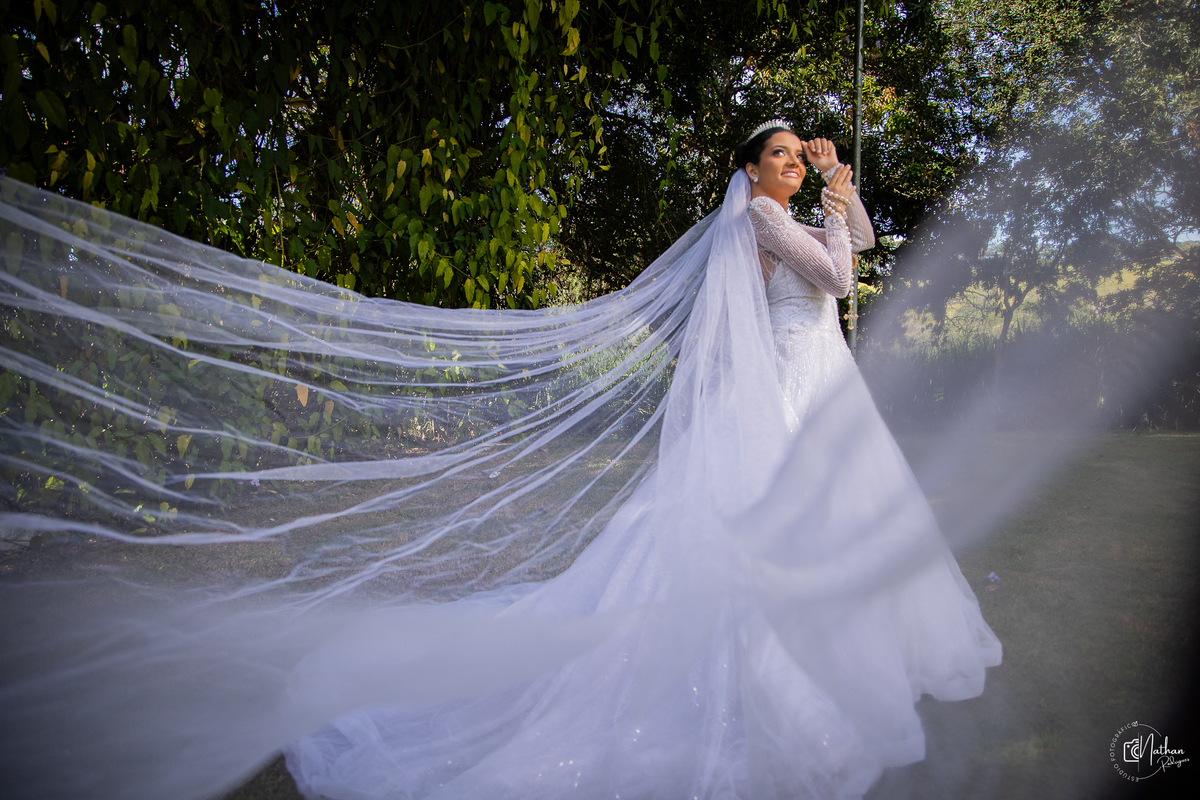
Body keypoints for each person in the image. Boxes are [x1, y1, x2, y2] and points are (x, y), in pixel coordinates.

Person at [0, 120, 999, 800]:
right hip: (785, 384)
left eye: (796, 156)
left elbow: (863, 240)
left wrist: (844, 184)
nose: (792, 164)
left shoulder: (800, 206)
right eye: (779, 155)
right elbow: (839, 275)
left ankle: (851, 650)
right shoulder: (765, 219)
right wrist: (830, 198)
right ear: (751, 172)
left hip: (820, 383)